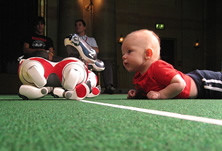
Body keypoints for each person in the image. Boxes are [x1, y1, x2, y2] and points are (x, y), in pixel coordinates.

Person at [121, 29, 222, 99]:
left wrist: (160, 95)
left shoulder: (157, 67)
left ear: (148, 54)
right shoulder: (138, 77)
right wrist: (137, 94)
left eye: (129, 51)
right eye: (123, 53)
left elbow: (180, 84)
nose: (124, 56)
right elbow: (148, 92)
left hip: (203, 83)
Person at [66, 19, 115, 94]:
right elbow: (70, 52)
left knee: (106, 63)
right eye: (76, 25)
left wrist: (84, 47)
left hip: (91, 60)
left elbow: (97, 50)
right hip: (79, 60)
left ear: (84, 27)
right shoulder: (73, 39)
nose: (77, 27)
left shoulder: (91, 39)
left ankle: (109, 86)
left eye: (80, 25)